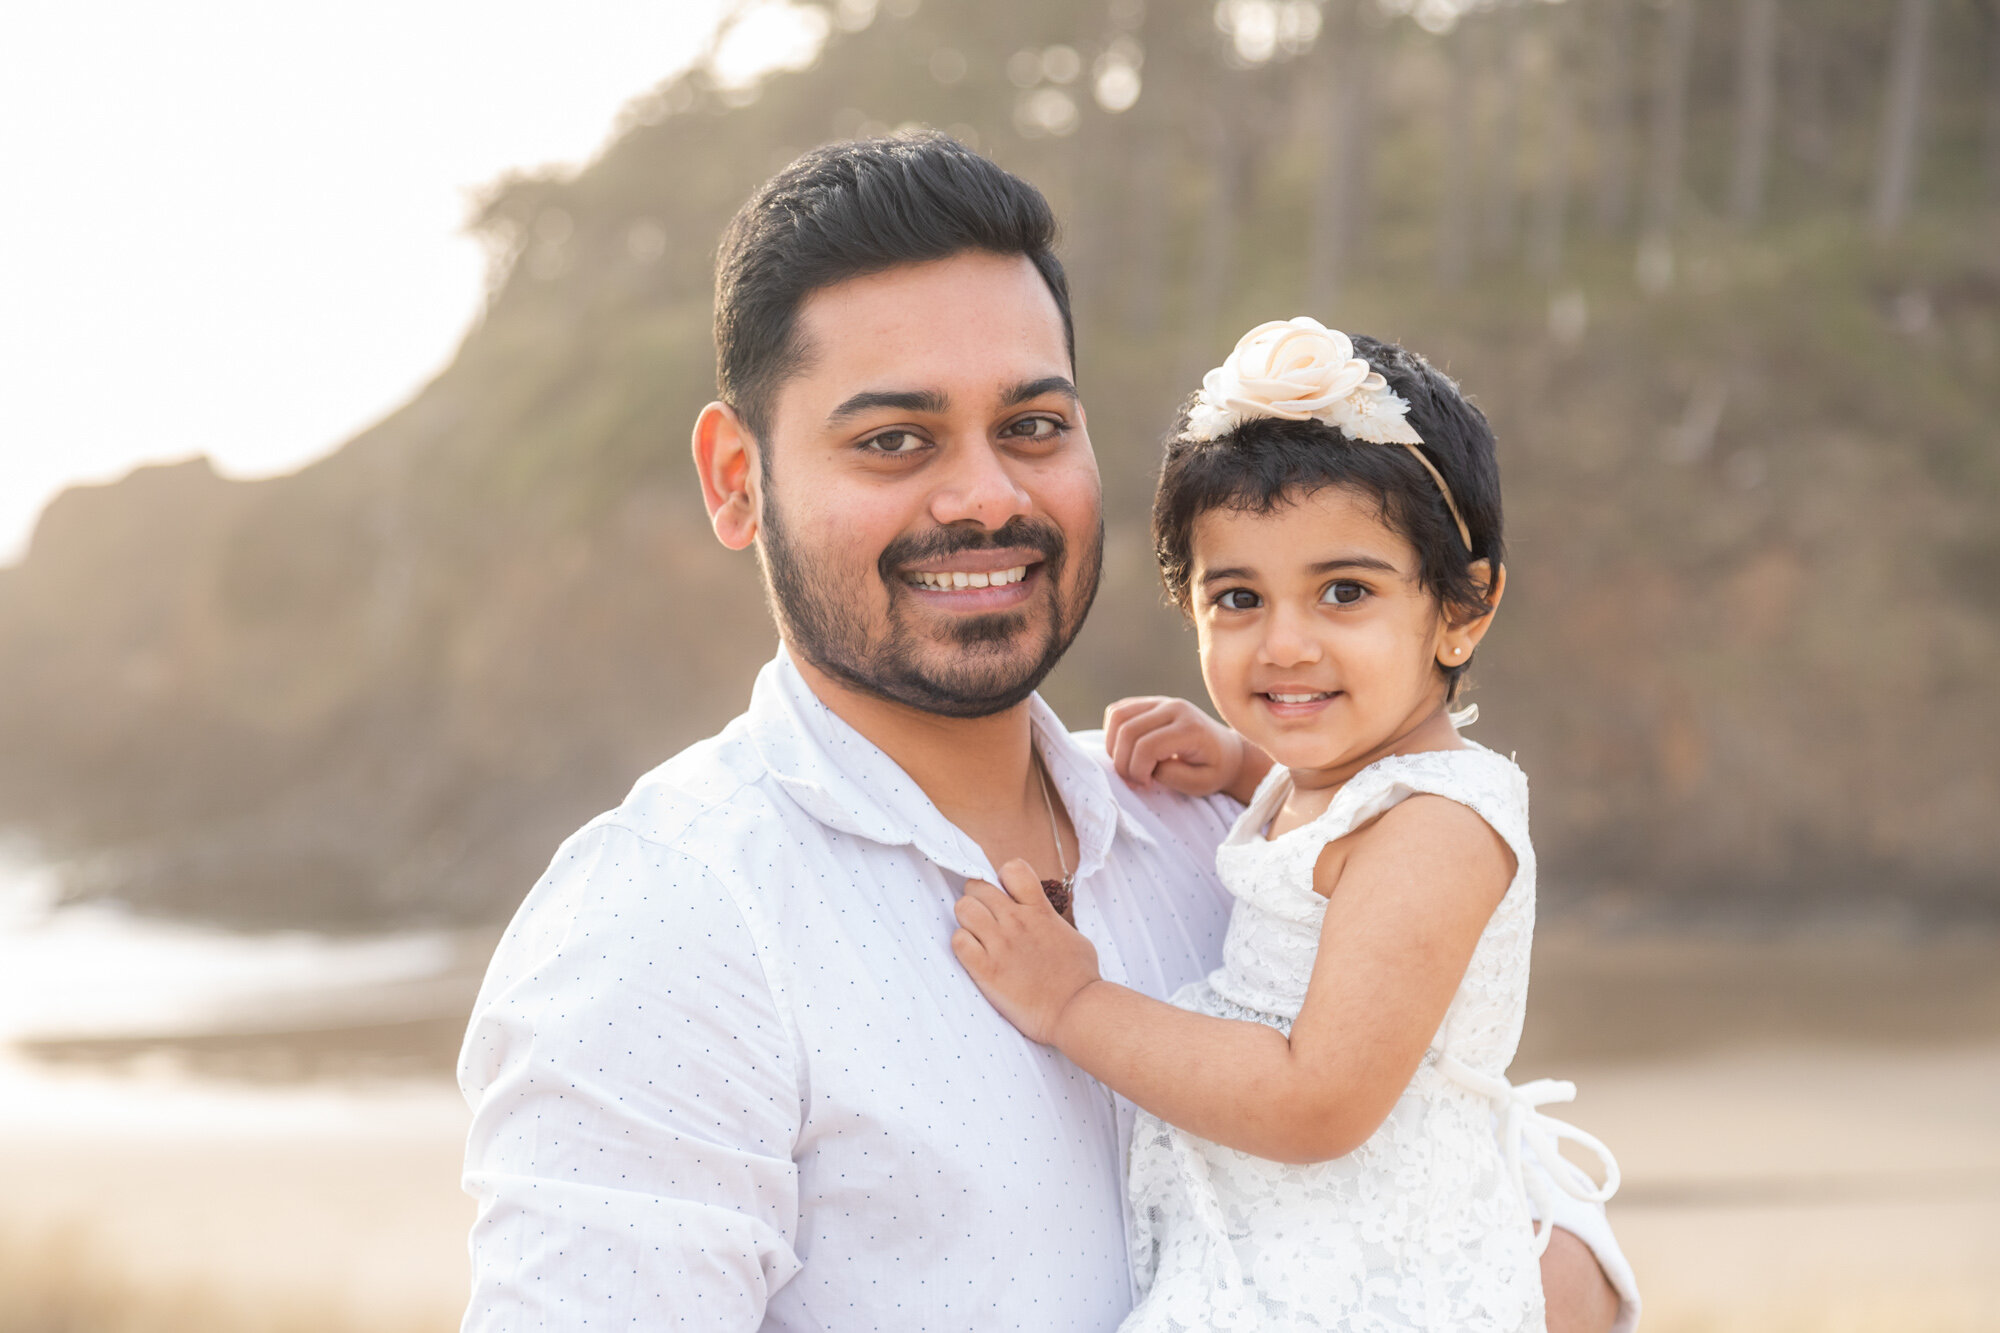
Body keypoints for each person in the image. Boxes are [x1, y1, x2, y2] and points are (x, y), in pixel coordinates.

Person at [456, 134, 1636, 1332]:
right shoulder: (670, 923)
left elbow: (1447, 1144)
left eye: (1029, 426)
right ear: (735, 481)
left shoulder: (1224, 817)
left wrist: (1570, 1270)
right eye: (892, 441)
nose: (984, 497)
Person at [952, 317, 1624, 1331]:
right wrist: (1238, 763)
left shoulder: (1437, 827)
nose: (1285, 644)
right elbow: (1337, 842)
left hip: (1363, 1285)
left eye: (1342, 591)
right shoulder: (1362, 785)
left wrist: (1072, 1003)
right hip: (1289, 1257)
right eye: (1237, 597)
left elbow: (1317, 1100)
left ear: (1462, 608)